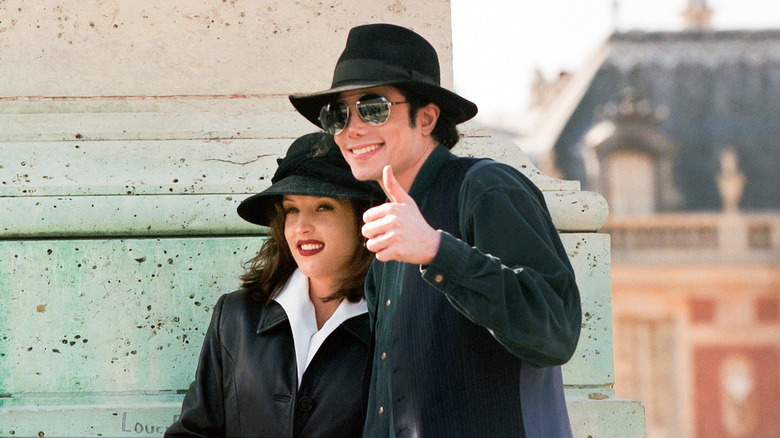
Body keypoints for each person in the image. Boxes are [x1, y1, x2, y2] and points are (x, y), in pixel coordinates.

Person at [289, 24, 582, 437]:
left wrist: (436, 251)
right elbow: (389, 404)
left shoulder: (486, 188)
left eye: (373, 107)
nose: (351, 129)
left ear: (426, 117)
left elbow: (556, 331)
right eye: (337, 114)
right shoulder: (386, 229)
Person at [165, 132, 384, 437]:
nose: (301, 226)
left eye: (324, 207)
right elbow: (193, 432)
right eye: (291, 209)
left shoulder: (390, 323)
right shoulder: (237, 317)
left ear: (363, 220)